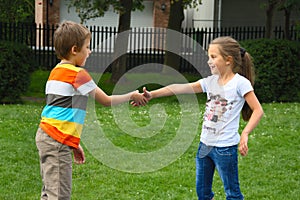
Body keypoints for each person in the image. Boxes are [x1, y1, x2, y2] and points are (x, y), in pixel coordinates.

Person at [140, 36, 264, 200]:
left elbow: (258, 110)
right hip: (205, 145)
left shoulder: (240, 83)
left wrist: (245, 133)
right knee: (203, 193)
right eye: (208, 57)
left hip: (225, 148)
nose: (209, 61)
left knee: (233, 194)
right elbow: (180, 87)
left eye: (213, 57)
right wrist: (152, 95)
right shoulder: (210, 82)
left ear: (228, 60)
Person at [35, 21, 148, 200]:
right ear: (74, 49)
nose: (90, 51)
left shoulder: (56, 71)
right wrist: (131, 96)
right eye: (87, 47)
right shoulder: (77, 74)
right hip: (56, 139)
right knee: (59, 195)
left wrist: (72, 142)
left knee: (50, 191)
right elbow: (106, 101)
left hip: (50, 136)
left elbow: (58, 111)